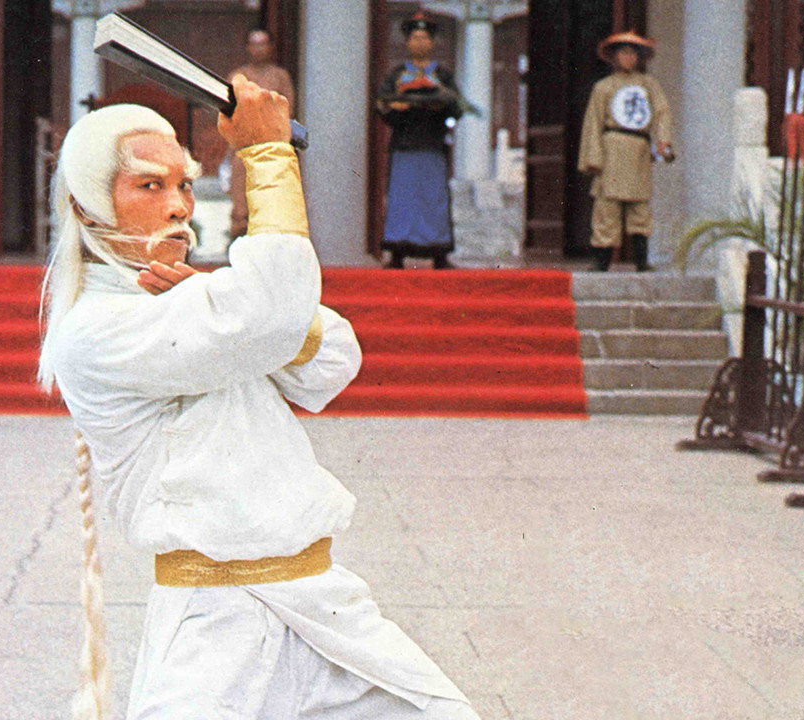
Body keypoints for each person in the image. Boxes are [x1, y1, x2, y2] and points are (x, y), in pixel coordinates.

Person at [38, 75, 480, 719]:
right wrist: (269, 156)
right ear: (87, 208)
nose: (179, 206)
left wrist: (208, 294)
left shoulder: (198, 305)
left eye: (185, 184)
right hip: (215, 625)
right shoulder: (96, 330)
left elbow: (333, 361)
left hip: (322, 603)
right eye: (149, 186)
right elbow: (271, 315)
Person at [578, 30, 675, 272]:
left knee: (639, 206)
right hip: (612, 149)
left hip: (638, 149)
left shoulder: (648, 85)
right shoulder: (603, 87)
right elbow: (593, 122)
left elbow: (661, 113)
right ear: (614, 57)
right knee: (606, 206)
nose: (628, 58)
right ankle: (601, 260)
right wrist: (593, 157)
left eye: (633, 53)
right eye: (623, 53)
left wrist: (663, 140)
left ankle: (641, 260)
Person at [376, 12, 462, 270]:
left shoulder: (442, 75)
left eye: (424, 38)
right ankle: (398, 252)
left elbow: (456, 106)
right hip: (404, 143)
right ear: (407, 42)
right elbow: (382, 104)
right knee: (402, 198)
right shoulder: (397, 74)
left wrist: (437, 102)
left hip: (433, 144)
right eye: (415, 37)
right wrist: (400, 107)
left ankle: (438, 252)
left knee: (433, 198)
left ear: (432, 42)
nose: (420, 42)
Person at [226, 28, 296, 239]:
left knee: (272, 201)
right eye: (254, 44)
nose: (259, 49)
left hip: (272, 146)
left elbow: (288, 110)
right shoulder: (237, 76)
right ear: (248, 47)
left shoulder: (280, 76)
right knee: (241, 203)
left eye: (263, 44)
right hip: (243, 146)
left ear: (271, 47)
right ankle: (239, 239)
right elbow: (228, 111)